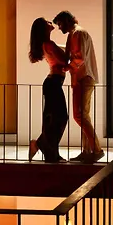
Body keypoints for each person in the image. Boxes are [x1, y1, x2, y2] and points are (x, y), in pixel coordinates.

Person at [53, 11, 104, 164]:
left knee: (79, 116)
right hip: (84, 78)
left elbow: (79, 57)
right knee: (83, 116)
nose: (59, 27)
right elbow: (75, 52)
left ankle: (96, 149)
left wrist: (67, 68)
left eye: (60, 24)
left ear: (66, 21)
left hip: (83, 78)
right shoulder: (77, 33)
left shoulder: (77, 34)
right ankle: (87, 151)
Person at [28, 17, 68, 163]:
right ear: (43, 29)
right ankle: (44, 147)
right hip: (53, 84)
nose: (50, 23)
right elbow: (65, 60)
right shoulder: (49, 45)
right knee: (60, 118)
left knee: (54, 120)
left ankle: (46, 149)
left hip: (53, 83)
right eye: (47, 23)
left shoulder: (48, 44)